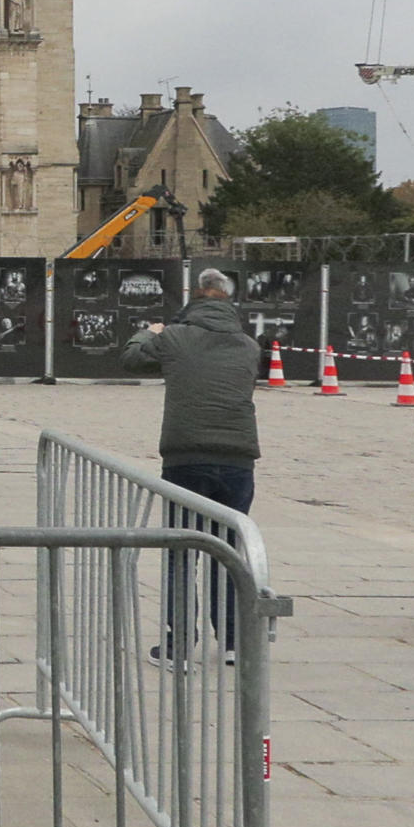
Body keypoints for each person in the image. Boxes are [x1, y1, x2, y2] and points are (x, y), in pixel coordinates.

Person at [121, 267, 261, 665]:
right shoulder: (249, 345)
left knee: (182, 550)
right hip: (238, 459)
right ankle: (233, 641)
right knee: (229, 551)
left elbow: (132, 360)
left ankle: (178, 645)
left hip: (187, 456)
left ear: (195, 296)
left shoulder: (175, 338)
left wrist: (150, 331)